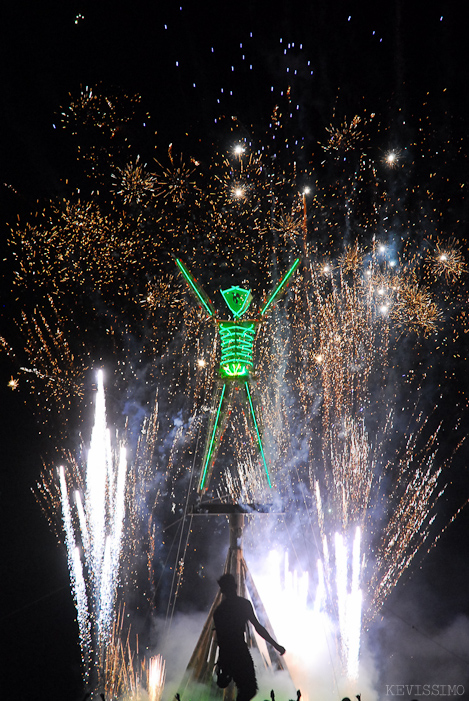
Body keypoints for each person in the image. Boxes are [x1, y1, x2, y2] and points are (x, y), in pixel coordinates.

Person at [213, 573, 286, 701]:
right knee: (249, 690)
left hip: (229, 654)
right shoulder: (243, 605)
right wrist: (276, 645)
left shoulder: (220, 611)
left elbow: (221, 641)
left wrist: (222, 662)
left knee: (247, 690)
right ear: (235, 587)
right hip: (240, 652)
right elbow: (258, 628)